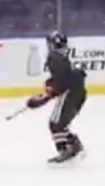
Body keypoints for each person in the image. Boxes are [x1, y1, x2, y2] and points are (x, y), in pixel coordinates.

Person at [26, 31, 87, 164]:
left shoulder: (54, 58)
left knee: (56, 124)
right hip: (77, 93)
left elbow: (61, 84)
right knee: (60, 123)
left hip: (70, 93)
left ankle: (64, 150)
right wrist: (50, 85)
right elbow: (64, 77)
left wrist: (46, 96)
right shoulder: (61, 56)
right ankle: (74, 144)